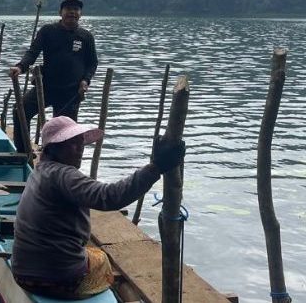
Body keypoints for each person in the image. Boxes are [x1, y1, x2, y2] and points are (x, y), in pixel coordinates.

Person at [11, 116, 185, 300]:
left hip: (21, 271)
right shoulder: (64, 175)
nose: (80, 149)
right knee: (102, 261)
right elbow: (109, 196)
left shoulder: (40, 171)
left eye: (81, 143)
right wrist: (156, 168)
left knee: (92, 254)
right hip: (56, 278)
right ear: (54, 149)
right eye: (72, 144)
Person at [9, 0, 97, 147]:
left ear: (80, 14)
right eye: (68, 9)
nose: (72, 12)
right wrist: (20, 67)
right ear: (60, 12)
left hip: (71, 92)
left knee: (66, 132)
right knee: (20, 111)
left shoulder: (86, 36)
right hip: (45, 88)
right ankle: (23, 152)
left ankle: (59, 164)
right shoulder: (48, 31)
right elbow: (33, 52)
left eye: (76, 9)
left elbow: (92, 63)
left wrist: (86, 80)